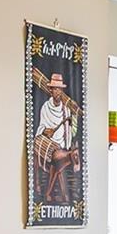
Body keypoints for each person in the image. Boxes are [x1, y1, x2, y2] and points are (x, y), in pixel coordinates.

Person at [33, 72, 80, 204]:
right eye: (55, 89)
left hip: (62, 147)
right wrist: (44, 131)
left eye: (60, 89)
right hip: (49, 145)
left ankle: (57, 195)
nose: (57, 92)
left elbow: (72, 130)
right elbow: (40, 128)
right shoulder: (45, 108)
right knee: (56, 159)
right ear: (51, 90)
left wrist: (75, 117)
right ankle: (53, 194)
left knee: (61, 159)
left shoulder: (66, 111)